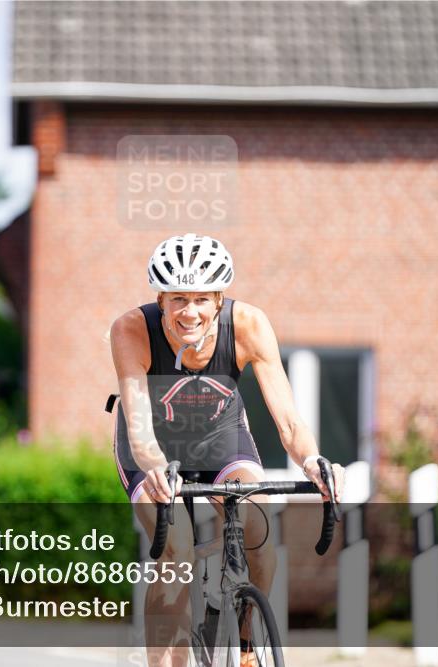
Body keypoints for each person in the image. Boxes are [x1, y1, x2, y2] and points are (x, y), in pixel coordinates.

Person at [109, 233, 346, 667]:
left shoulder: (249, 325)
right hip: (153, 446)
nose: (190, 311)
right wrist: (158, 468)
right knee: (176, 546)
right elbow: (140, 428)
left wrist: (313, 461)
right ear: (160, 299)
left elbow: (289, 422)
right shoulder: (131, 330)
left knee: (256, 524)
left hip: (221, 436)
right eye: (178, 298)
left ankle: (246, 643)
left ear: (220, 298)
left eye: (202, 298)